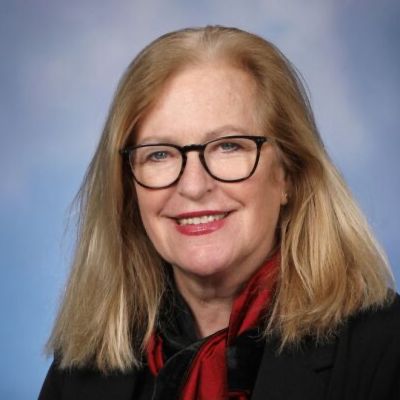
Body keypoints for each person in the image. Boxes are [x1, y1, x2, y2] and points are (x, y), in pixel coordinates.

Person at [38, 26, 400, 400]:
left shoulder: (387, 350)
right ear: (128, 188)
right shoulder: (79, 372)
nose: (194, 186)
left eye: (229, 146)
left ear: (289, 174)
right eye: (159, 153)